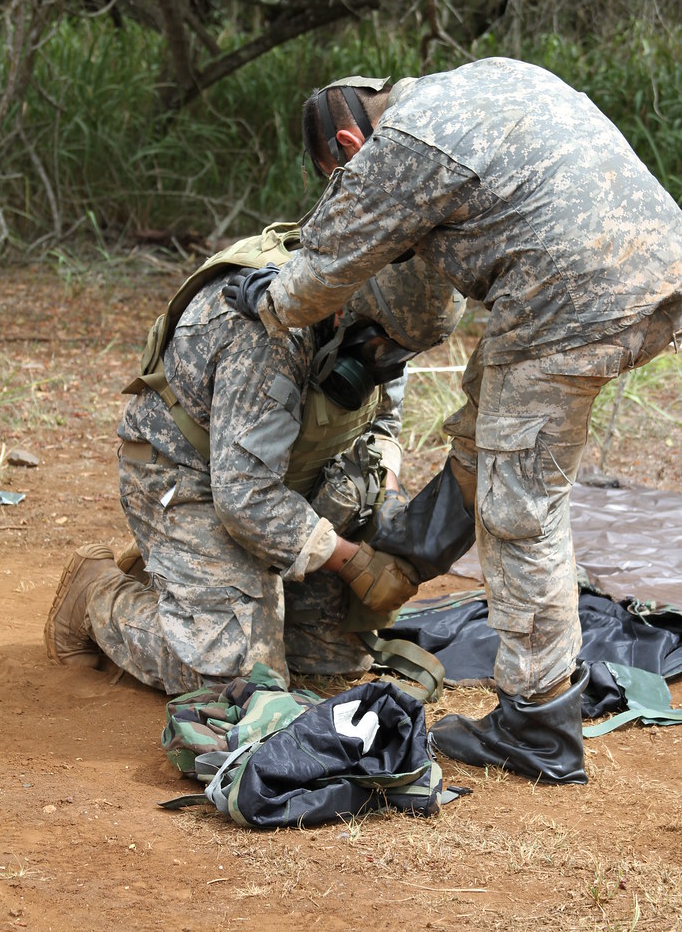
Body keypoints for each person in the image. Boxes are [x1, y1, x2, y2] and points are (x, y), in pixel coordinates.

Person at [225, 59, 682, 784]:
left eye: (337, 175)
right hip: (654, 269)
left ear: (348, 141)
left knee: (519, 510)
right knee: (483, 438)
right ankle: (404, 561)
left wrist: (263, 299)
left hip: (565, 300)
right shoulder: (489, 79)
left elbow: (317, 278)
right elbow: (428, 296)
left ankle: (536, 727)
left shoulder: (398, 146)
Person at [44, 223, 464, 694]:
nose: (389, 361)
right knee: (239, 677)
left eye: (405, 351)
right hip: (189, 481)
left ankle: (204, 591)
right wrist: (354, 563)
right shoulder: (272, 329)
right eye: (383, 346)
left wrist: (384, 501)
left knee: (332, 657)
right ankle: (98, 593)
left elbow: (380, 425)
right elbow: (244, 498)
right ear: (346, 304)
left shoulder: (386, 324)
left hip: (280, 481)